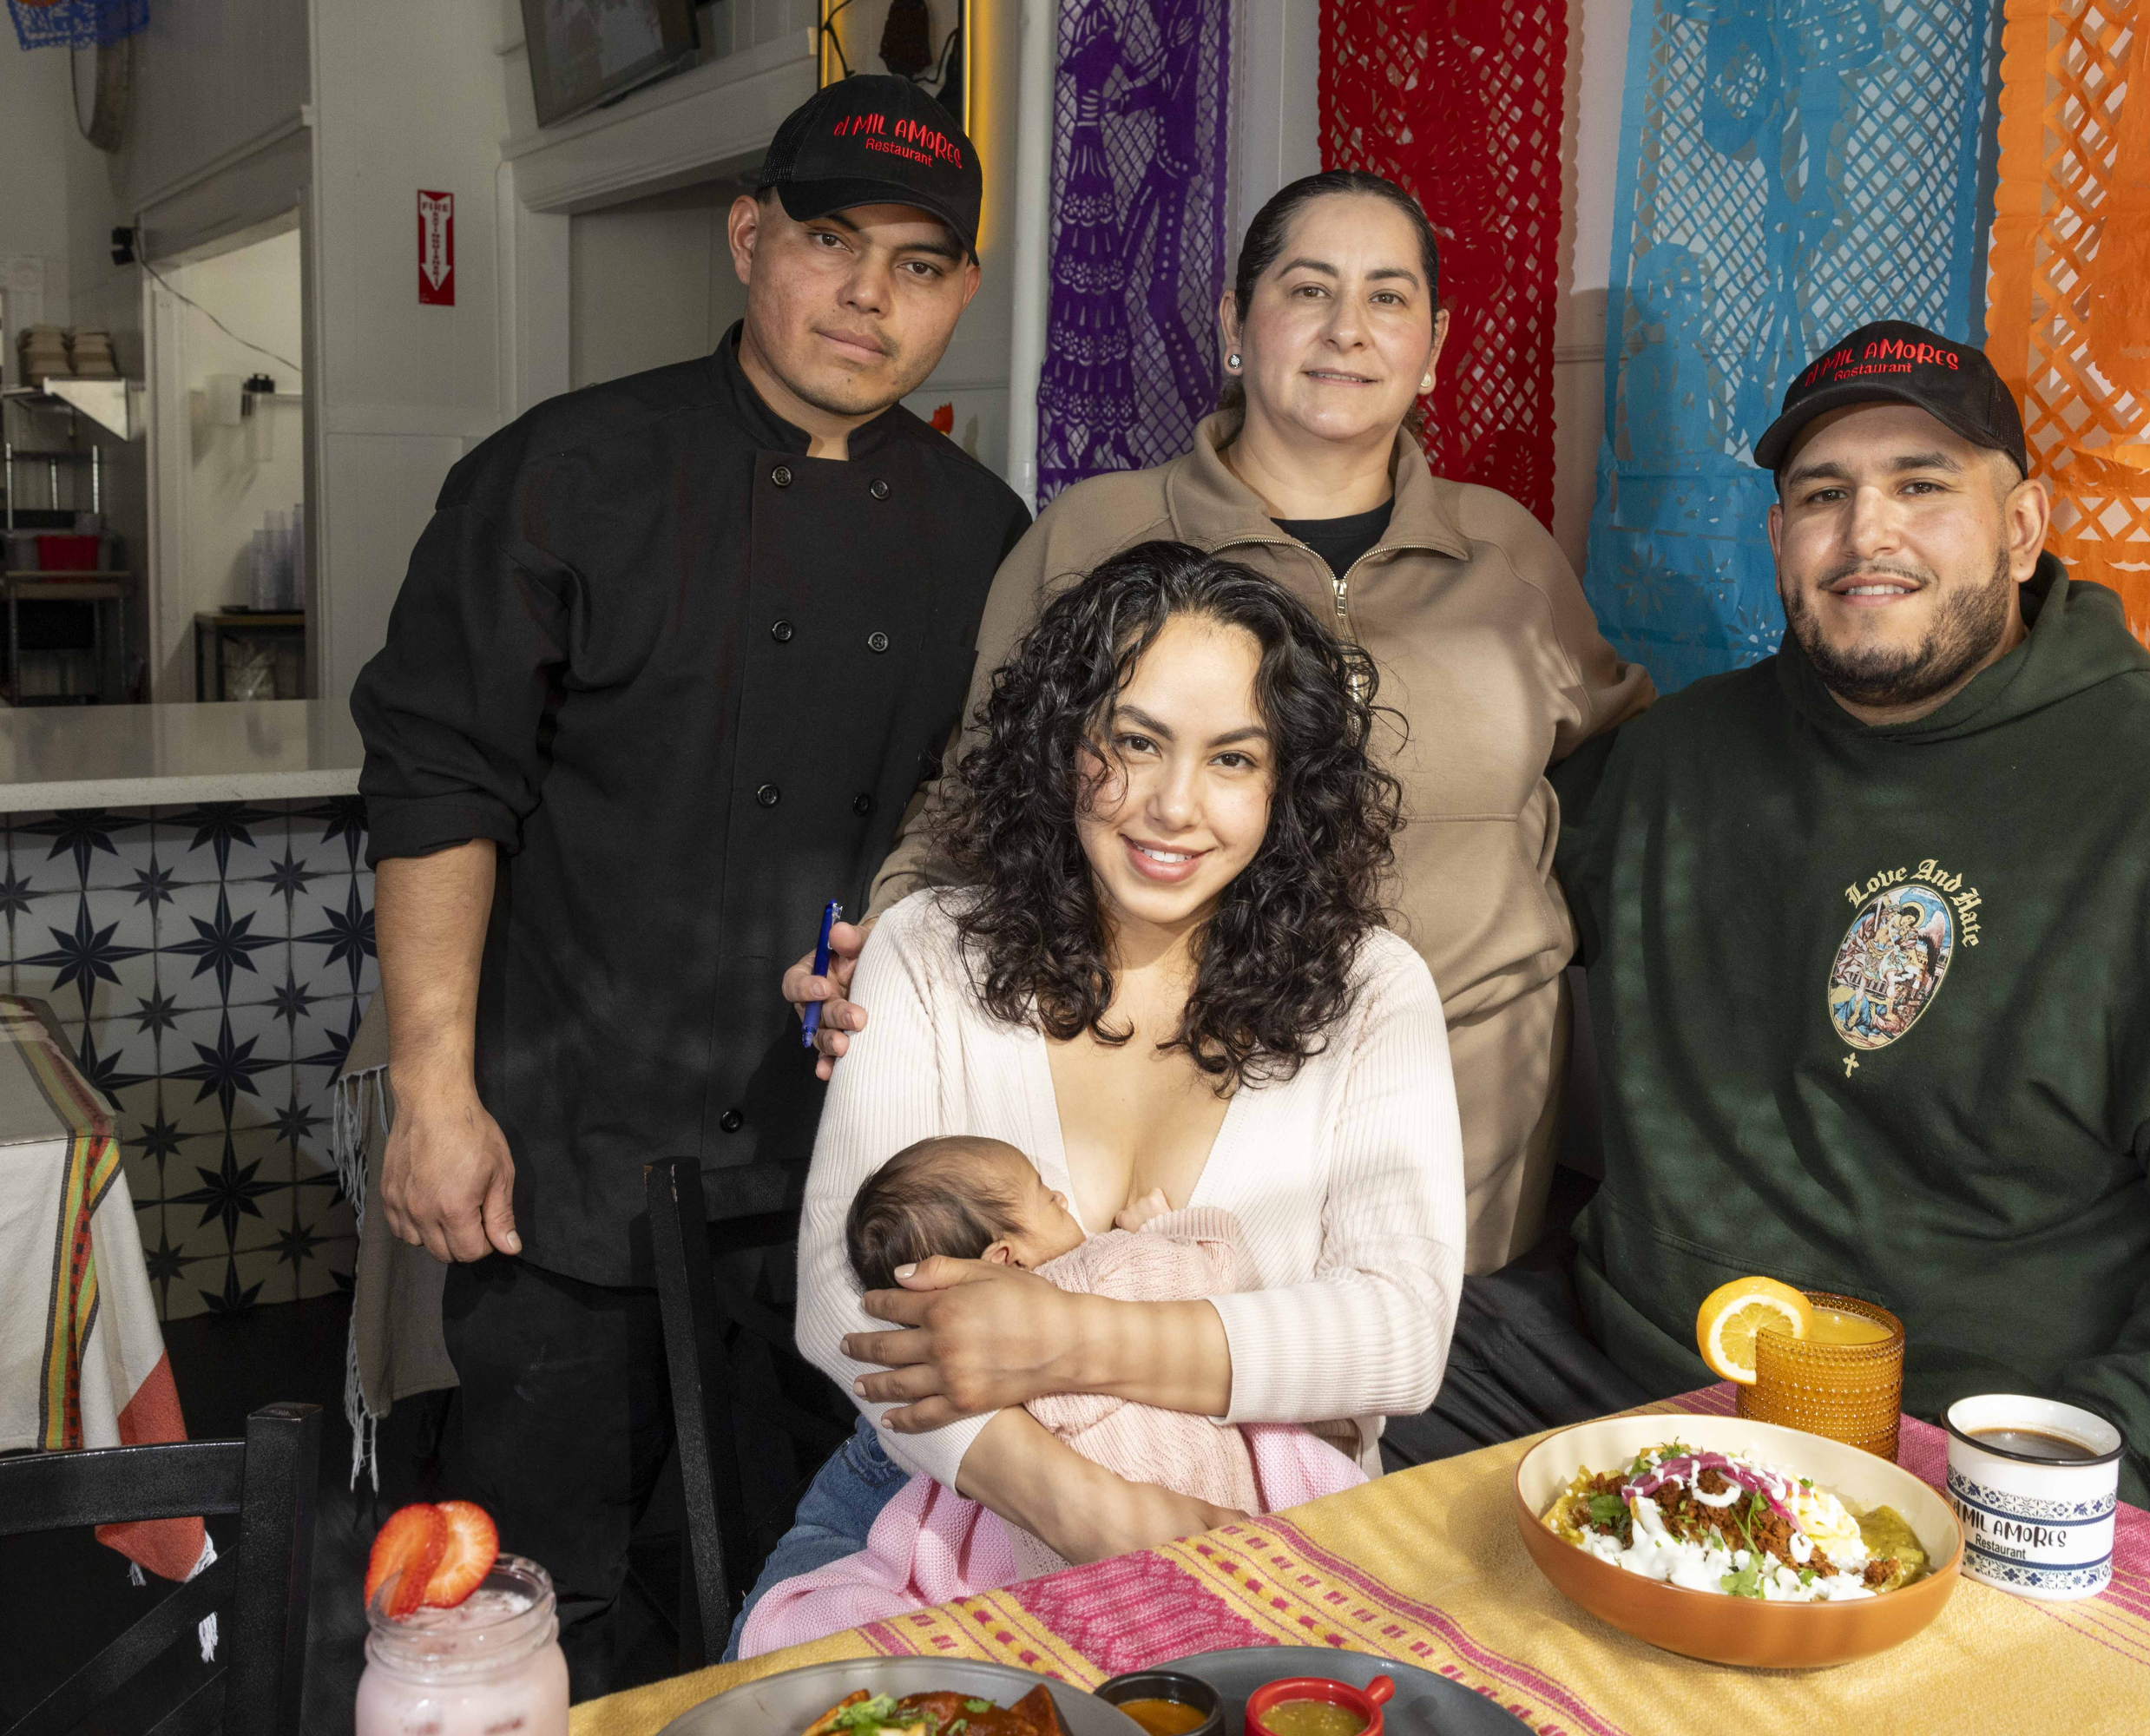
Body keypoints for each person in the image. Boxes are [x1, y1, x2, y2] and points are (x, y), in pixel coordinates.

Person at [1538, 319, 2150, 1573]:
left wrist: (2039, 1514)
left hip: (1992, 1474)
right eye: (1824, 495)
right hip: (1624, 1391)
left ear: (2022, 528)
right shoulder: (1668, 768)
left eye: (1923, 486)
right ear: (1778, 540)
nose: (1868, 535)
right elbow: (1445, 893)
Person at [350, 75, 1026, 1690]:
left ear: (960, 298)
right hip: (569, 1148)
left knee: (822, 1580)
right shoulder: (564, 473)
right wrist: (434, 1092)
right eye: (828, 239)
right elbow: (442, 780)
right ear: (748, 239)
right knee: (538, 1584)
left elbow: (985, 856)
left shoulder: (989, 539)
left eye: (919, 264)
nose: (868, 295)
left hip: (839, 1169)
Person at [792, 168, 1654, 1278]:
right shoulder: (1095, 532)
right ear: (1235, 328)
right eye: (1309, 288)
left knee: (1397, 1422)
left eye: (1389, 298)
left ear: (1434, 346)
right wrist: (885, 966)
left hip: (1471, 1113)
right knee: (1158, 1415)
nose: (1349, 328)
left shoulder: (1510, 555)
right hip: (1175, 1120)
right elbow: (977, 791)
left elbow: (1618, 773)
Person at [748, 542, 1464, 1645]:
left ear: (1290, 783)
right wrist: (1101, 1513)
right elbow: (846, 1305)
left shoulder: (1373, 990)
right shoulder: (928, 950)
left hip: (1276, 1500)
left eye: (1233, 758)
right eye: (1134, 742)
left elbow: (1399, 1335)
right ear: (1060, 740)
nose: (1174, 806)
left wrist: (1068, 1340)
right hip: (937, 1493)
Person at [732, 1138, 1365, 1654]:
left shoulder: (945, 1362)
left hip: (1052, 1580)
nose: (1065, 1197)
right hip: (1200, 1514)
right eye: (1045, 1197)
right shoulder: (1099, 1274)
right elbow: (1206, 1275)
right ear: (1005, 1260)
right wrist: (1166, 1230)